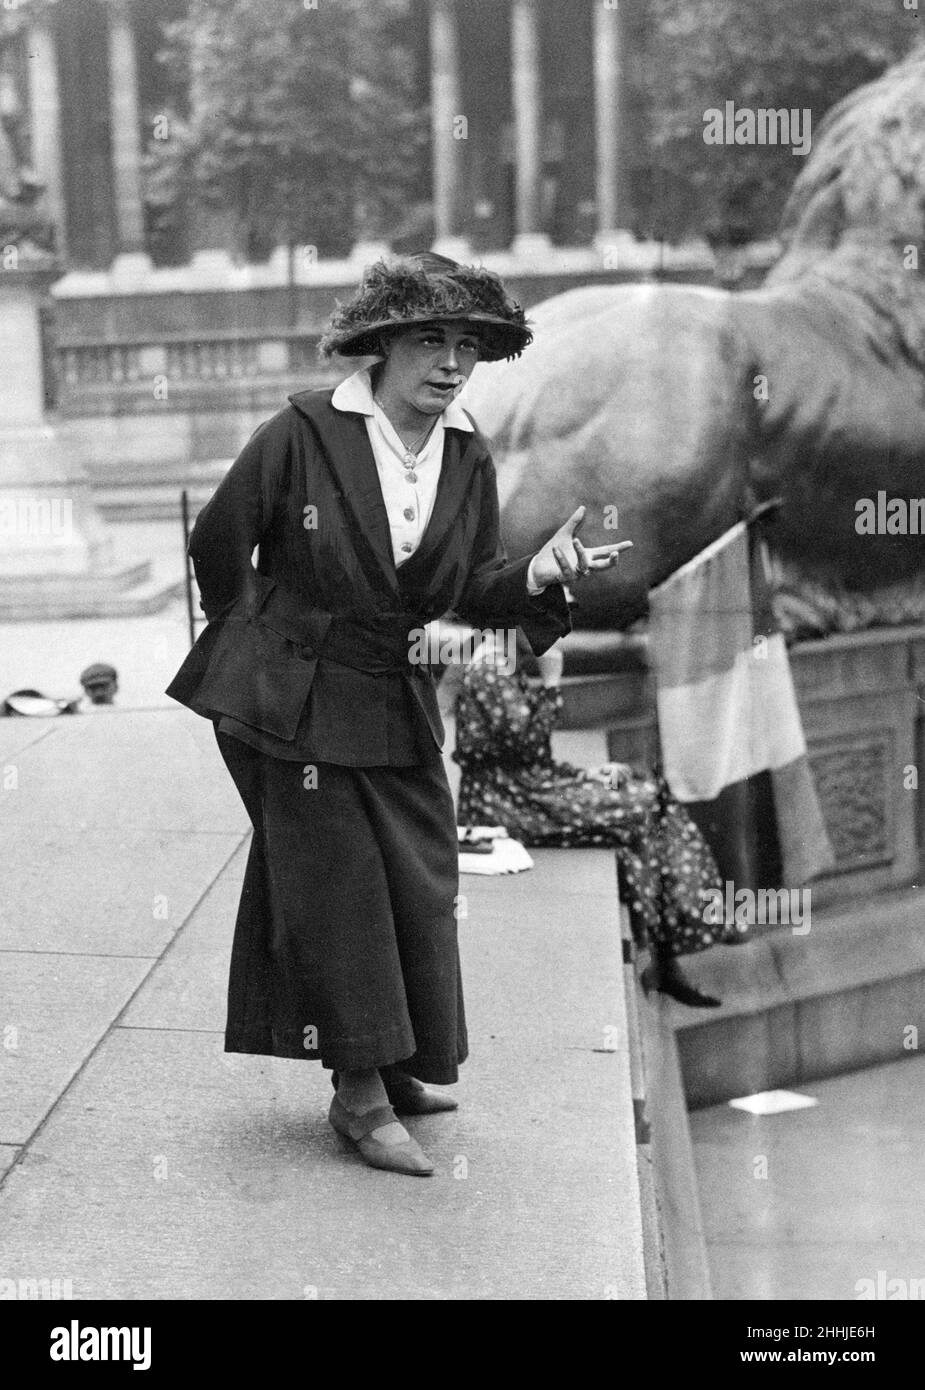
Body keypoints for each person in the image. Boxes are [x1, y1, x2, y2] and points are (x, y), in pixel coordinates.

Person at [166, 252, 628, 1177]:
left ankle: (403, 1058)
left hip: (393, 694)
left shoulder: (465, 452)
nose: (451, 362)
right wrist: (259, 646)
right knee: (336, 888)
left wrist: (538, 575)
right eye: (429, 339)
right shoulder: (301, 432)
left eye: (466, 345)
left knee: (420, 877)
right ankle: (358, 1094)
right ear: (377, 345)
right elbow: (218, 545)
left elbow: (470, 585)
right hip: (291, 705)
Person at [453, 630, 750, 1007]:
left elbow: (530, 756)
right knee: (645, 804)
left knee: (642, 795)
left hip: (525, 790)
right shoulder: (489, 670)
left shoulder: (503, 662)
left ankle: (671, 947)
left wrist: (582, 775)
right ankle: (682, 935)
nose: (555, 631)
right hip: (505, 804)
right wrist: (550, 681)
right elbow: (524, 743)